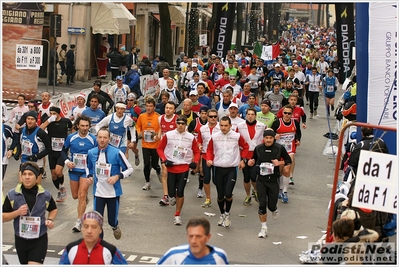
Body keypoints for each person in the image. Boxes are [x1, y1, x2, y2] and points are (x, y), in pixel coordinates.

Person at [2, 161, 58, 264]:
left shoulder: (45, 195)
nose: (27, 177)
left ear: (36, 177)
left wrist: (50, 219)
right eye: (24, 174)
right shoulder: (12, 195)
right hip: (20, 239)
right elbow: (3, 217)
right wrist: (17, 213)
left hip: (39, 239)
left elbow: (53, 209)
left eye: (30, 174)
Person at [86, 128, 133, 240]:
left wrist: (117, 176)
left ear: (109, 139)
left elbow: (130, 169)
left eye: (105, 138)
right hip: (98, 192)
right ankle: (99, 246)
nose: (102, 140)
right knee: (97, 222)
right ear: (96, 138)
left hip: (113, 193)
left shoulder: (117, 153)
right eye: (100, 137)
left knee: (112, 220)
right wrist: (89, 176)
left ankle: (115, 226)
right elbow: (88, 167)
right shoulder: (91, 153)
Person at [206, 116, 250, 227]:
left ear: (230, 126)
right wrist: (209, 159)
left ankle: (227, 214)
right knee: (220, 195)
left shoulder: (237, 136)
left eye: (226, 125)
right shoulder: (214, 136)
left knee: (228, 193)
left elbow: (245, 147)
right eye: (221, 125)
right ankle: (222, 214)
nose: (223, 128)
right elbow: (209, 149)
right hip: (218, 168)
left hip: (232, 168)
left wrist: (242, 160)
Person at [157, 115, 201, 225]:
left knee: (180, 191)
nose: (180, 125)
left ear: (186, 124)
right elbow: (159, 148)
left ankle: (177, 215)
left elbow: (196, 151)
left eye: (183, 123)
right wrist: (164, 160)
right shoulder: (168, 135)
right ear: (176, 124)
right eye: (179, 123)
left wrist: (194, 162)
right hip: (171, 167)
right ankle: (173, 196)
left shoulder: (190, 137)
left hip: (184, 167)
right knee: (172, 193)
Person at [248, 129, 291, 238]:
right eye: (266, 138)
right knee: (262, 204)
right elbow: (253, 159)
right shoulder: (259, 149)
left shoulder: (279, 148)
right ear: (264, 138)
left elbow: (288, 160)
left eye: (270, 138)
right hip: (261, 180)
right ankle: (263, 228)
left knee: (271, 206)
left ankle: (274, 209)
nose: (268, 140)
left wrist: (279, 163)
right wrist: (250, 161)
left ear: (273, 138)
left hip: (273, 181)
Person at [62, 115, 97, 233]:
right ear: (77, 126)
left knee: (81, 195)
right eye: (82, 125)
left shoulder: (93, 139)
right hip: (74, 170)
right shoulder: (71, 138)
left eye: (87, 126)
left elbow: (98, 154)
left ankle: (79, 221)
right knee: (75, 196)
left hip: (86, 171)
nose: (85, 128)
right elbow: (63, 151)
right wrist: (67, 161)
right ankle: (84, 199)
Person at [59, 211, 128, 264]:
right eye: (86, 226)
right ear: (81, 228)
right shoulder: (70, 249)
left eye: (94, 227)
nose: (89, 231)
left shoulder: (111, 250)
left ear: (100, 230)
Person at [157, 217, 229, 265]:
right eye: (191, 236)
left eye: (198, 236)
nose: (193, 241)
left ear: (208, 237)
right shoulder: (173, 255)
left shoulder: (220, 257)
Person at [8, 110, 51, 184]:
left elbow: (49, 149)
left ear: (35, 120)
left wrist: (36, 156)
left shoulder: (41, 133)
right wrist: (18, 152)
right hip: (24, 161)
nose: (30, 121)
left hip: (37, 163)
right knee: (21, 186)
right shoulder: (22, 130)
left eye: (32, 119)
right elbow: (19, 142)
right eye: (28, 119)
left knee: (35, 188)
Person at [39, 106, 73, 202]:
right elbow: (40, 129)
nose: (52, 115)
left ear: (59, 114)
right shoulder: (48, 121)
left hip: (62, 151)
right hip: (52, 151)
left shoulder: (65, 121)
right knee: (53, 175)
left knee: (58, 172)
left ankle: (62, 186)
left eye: (54, 113)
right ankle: (59, 191)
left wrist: (70, 140)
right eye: (51, 113)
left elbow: (72, 128)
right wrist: (49, 120)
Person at [237, 108, 266, 206]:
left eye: (252, 114)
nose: (250, 116)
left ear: (255, 115)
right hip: (245, 154)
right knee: (246, 177)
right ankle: (248, 195)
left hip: (257, 155)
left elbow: (266, 138)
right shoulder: (240, 126)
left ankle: (256, 190)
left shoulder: (261, 126)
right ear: (245, 115)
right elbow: (237, 140)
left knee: (253, 177)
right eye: (248, 114)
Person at [271, 105, 301, 200]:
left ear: (292, 114)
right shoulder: (277, 123)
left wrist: (298, 140)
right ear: (282, 113)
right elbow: (271, 133)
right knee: (280, 171)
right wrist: (275, 136)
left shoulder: (295, 123)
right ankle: (280, 189)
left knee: (287, 170)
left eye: (289, 113)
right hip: (279, 150)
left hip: (290, 150)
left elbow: (298, 132)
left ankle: (285, 191)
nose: (287, 115)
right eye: (285, 113)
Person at [135, 97, 162, 190]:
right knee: (146, 164)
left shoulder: (158, 117)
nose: (148, 108)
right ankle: (147, 182)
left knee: (154, 164)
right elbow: (138, 125)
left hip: (155, 145)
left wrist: (157, 134)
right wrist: (139, 132)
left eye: (151, 106)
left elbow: (161, 129)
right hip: (145, 144)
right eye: (147, 106)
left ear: (154, 107)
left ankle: (158, 170)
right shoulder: (142, 116)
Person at [197, 109, 220, 208]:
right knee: (206, 178)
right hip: (206, 155)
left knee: (217, 180)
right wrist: (199, 146)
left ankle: (221, 197)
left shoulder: (221, 127)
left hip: (218, 156)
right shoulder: (202, 129)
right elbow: (199, 141)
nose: (213, 118)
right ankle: (208, 199)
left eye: (215, 116)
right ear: (207, 117)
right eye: (211, 116)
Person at [158, 101, 178, 206]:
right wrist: (158, 137)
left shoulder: (177, 119)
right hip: (164, 150)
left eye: (170, 108)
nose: (168, 110)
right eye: (166, 107)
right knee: (164, 172)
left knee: (173, 173)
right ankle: (165, 196)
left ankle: (173, 191)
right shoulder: (160, 118)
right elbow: (160, 130)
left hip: (175, 150)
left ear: (174, 110)